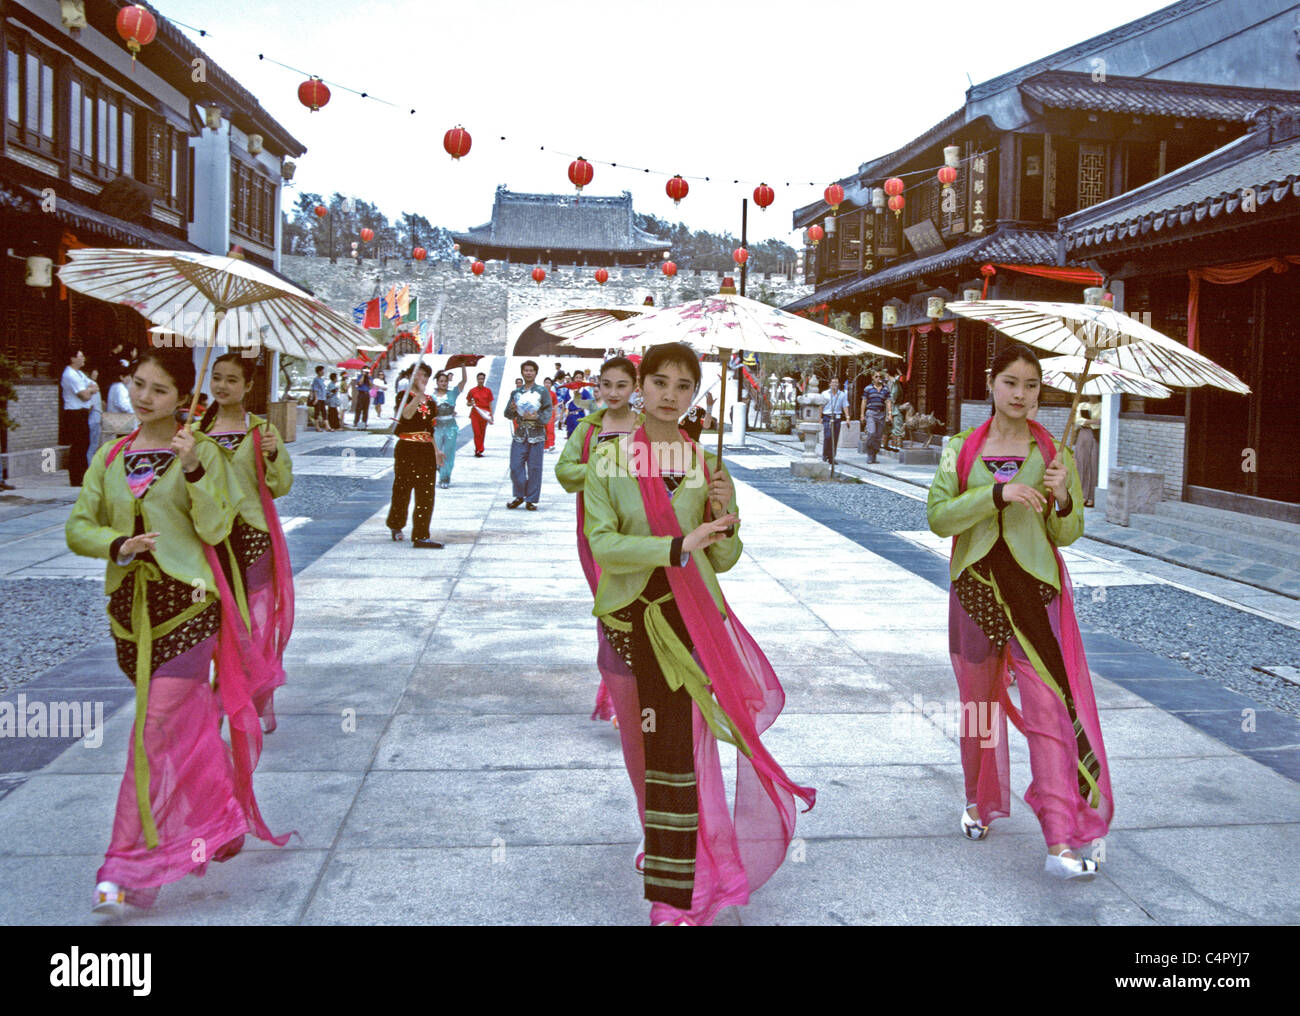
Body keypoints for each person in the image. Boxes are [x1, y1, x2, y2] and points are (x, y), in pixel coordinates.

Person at [583, 341, 815, 925]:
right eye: (659, 382)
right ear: (641, 386)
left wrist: (725, 516)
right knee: (657, 746)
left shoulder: (704, 462)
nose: (670, 395)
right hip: (633, 616)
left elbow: (727, 557)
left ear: (695, 394)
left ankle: (678, 892)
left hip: (691, 617)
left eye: (683, 386)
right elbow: (603, 543)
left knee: (678, 751)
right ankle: (681, 880)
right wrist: (673, 545)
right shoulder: (610, 458)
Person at [65, 347, 287, 914]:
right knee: (177, 728)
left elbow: (216, 527)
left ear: (182, 398)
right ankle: (221, 815)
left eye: (159, 390)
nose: (143, 398)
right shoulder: (110, 455)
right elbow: (79, 527)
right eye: (138, 384)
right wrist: (117, 544)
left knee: (153, 731)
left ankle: (128, 868)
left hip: (189, 610)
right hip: (130, 612)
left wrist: (191, 469)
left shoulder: (203, 450)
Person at [927, 342, 1113, 881]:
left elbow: (1067, 534)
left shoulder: (1055, 451)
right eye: (1011, 382)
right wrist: (998, 494)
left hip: (1035, 593)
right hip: (976, 591)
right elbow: (939, 519)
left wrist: (1061, 499)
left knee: (1051, 710)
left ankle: (1061, 836)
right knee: (978, 707)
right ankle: (979, 803)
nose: (1021, 394)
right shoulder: (961, 448)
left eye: (1032, 386)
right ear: (992, 385)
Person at [198, 352, 294, 734]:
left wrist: (271, 454)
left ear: (248, 386)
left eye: (232, 380)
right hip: (210, 537)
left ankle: (245, 694)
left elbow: (281, 485)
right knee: (216, 621)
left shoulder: (261, 430)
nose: (222, 386)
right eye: (217, 378)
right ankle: (220, 693)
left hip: (253, 536)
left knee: (251, 621)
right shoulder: (194, 430)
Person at [555, 356, 643, 727]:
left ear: (635, 388)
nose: (612, 393)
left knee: (640, 607)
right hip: (596, 529)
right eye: (606, 384)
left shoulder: (647, 427)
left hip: (639, 529)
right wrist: (604, 465)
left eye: (621, 385)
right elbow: (564, 472)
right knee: (610, 608)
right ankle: (619, 697)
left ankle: (641, 695)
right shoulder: (589, 429)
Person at [386, 363, 446, 548]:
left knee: (426, 493)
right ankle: (396, 524)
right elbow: (406, 416)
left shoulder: (431, 402)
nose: (422, 379)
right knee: (402, 490)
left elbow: (430, 429)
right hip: (407, 448)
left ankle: (421, 535)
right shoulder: (402, 396)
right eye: (418, 375)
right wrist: (418, 395)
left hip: (425, 449)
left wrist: (436, 451)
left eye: (425, 376)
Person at [503, 361, 551, 510]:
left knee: (535, 468)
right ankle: (520, 495)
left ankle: (531, 499)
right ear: (522, 372)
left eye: (531, 370)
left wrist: (537, 417)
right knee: (515, 466)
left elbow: (548, 412)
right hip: (520, 433)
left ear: (536, 373)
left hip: (536, 433)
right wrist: (512, 409)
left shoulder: (542, 392)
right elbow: (508, 414)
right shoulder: (516, 393)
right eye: (526, 370)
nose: (528, 373)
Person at [61, 349, 98, 486]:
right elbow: (84, 395)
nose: (83, 359)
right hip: (74, 413)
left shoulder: (80, 373)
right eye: (81, 356)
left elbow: (95, 385)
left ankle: (82, 475)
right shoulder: (70, 375)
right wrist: (89, 390)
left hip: (82, 413)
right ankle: (76, 478)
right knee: (78, 445)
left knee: (84, 444)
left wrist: (90, 389)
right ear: (72, 359)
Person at [431, 365, 467, 488]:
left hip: (451, 427)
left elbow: (463, 382)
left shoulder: (452, 393)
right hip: (437, 427)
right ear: (437, 382)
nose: (443, 383)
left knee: (449, 453)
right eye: (441, 381)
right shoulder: (432, 397)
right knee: (435, 453)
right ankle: (439, 468)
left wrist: (463, 366)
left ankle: (445, 478)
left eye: (445, 381)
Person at [1073, 401, 1100, 508]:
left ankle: (1091, 497)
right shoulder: (1082, 405)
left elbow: (1102, 421)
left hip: (1095, 435)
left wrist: (1087, 421)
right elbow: (1077, 421)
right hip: (1083, 434)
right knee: (1081, 464)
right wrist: (1093, 421)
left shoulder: (1102, 405)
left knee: (1093, 464)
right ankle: (1080, 495)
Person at [860, 372, 889, 463]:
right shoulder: (868, 388)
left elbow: (888, 401)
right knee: (871, 433)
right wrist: (862, 414)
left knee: (878, 436)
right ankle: (869, 454)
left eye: (880, 377)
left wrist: (890, 413)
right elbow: (864, 401)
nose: (878, 378)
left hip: (881, 414)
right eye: (876, 376)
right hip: (871, 413)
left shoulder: (885, 389)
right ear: (873, 378)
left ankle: (874, 455)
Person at [821, 376, 849, 465]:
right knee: (828, 436)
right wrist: (819, 418)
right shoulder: (824, 394)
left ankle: (832, 457)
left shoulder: (842, 394)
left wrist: (848, 417)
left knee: (835, 438)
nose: (834, 384)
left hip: (837, 417)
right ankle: (825, 454)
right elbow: (821, 406)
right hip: (827, 416)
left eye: (836, 383)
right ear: (830, 384)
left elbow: (845, 406)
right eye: (833, 382)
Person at [466, 372, 494, 457]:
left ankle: (480, 449)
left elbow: (490, 403)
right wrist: (471, 403)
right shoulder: (472, 391)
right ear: (477, 379)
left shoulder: (488, 391)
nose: (481, 380)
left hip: (484, 414)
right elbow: (468, 403)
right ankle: (478, 449)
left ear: (484, 379)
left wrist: (491, 414)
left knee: (482, 432)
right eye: (479, 379)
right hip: (475, 414)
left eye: (482, 379)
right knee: (477, 432)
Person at [887, 365, 905, 453]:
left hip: (896, 408)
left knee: (897, 427)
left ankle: (898, 446)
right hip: (892, 407)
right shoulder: (892, 383)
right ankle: (894, 445)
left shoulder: (895, 383)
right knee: (894, 427)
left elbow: (893, 397)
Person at [87, 368, 103, 463]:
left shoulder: (91, 384)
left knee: (93, 445)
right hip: (94, 417)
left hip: (95, 417)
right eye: (95, 371)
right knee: (93, 446)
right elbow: (91, 405)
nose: (97, 373)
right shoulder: (92, 384)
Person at [309, 366, 328, 431]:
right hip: (318, 398)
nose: (323, 372)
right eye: (322, 370)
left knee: (324, 412)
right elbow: (315, 389)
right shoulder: (316, 380)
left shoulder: (322, 380)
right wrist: (316, 398)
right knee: (317, 412)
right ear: (319, 372)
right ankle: (317, 427)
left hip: (323, 398)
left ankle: (327, 426)